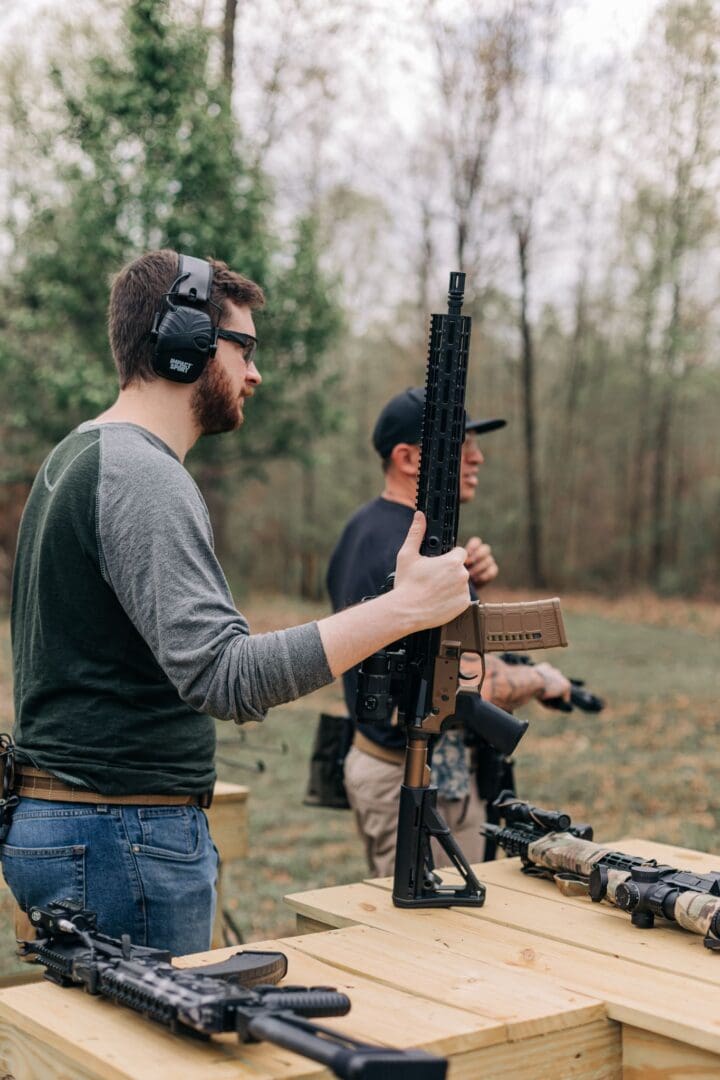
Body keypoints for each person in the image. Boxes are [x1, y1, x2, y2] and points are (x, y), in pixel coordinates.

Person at [4, 253, 472, 955]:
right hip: (118, 837)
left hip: (91, 828)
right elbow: (224, 676)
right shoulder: (140, 474)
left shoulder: (82, 453)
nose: (255, 374)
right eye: (243, 348)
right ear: (183, 345)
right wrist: (405, 609)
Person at [326, 387, 570, 878]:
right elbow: (469, 683)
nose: (478, 457)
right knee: (434, 941)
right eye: (462, 445)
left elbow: (415, 641)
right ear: (409, 458)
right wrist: (541, 679)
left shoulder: (370, 531)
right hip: (414, 778)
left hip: (406, 771)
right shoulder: (398, 546)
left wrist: (469, 586)